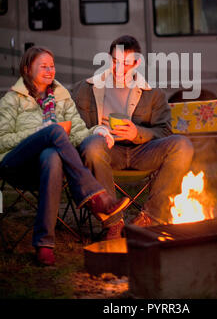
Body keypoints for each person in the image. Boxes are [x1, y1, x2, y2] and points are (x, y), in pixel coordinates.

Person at [0, 46, 128, 266]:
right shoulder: (12, 99)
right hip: (16, 163)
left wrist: (97, 130)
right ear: (27, 69)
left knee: (52, 155)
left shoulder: (61, 96)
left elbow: (77, 131)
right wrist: (40, 132)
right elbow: (2, 140)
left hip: (50, 167)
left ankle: (44, 244)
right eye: (43, 66)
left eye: (52, 66)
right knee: (54, 131)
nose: (50, 70)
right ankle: (96, 196)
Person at [72, 35, 194, 239]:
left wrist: (137, 133)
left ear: (137, 62)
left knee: (182, 145)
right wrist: (99, 131)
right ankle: (113, 223)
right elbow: (76, 128)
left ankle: (151, 217)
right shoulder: (85, 89)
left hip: (142, 151)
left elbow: (164, 131)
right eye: (115, 62)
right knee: (92, 146)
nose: (119, 69)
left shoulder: (153, 93)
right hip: (105, 151)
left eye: (126, 63)